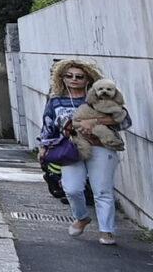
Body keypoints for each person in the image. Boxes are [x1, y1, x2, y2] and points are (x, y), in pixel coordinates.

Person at [44, 60, 130, 245]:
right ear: (62, 78)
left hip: (101, 146)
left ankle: (106, 231)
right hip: (71, 147)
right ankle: (82, 217)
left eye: (79, 77)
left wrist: (94, 122)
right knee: (72, 189)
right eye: (69, 76)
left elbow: (124, 121)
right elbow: (49, 125)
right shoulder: (55, 99)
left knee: (102, 190)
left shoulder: (102, 97)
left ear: (87, 79)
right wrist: (43, 147)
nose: (74, 80)